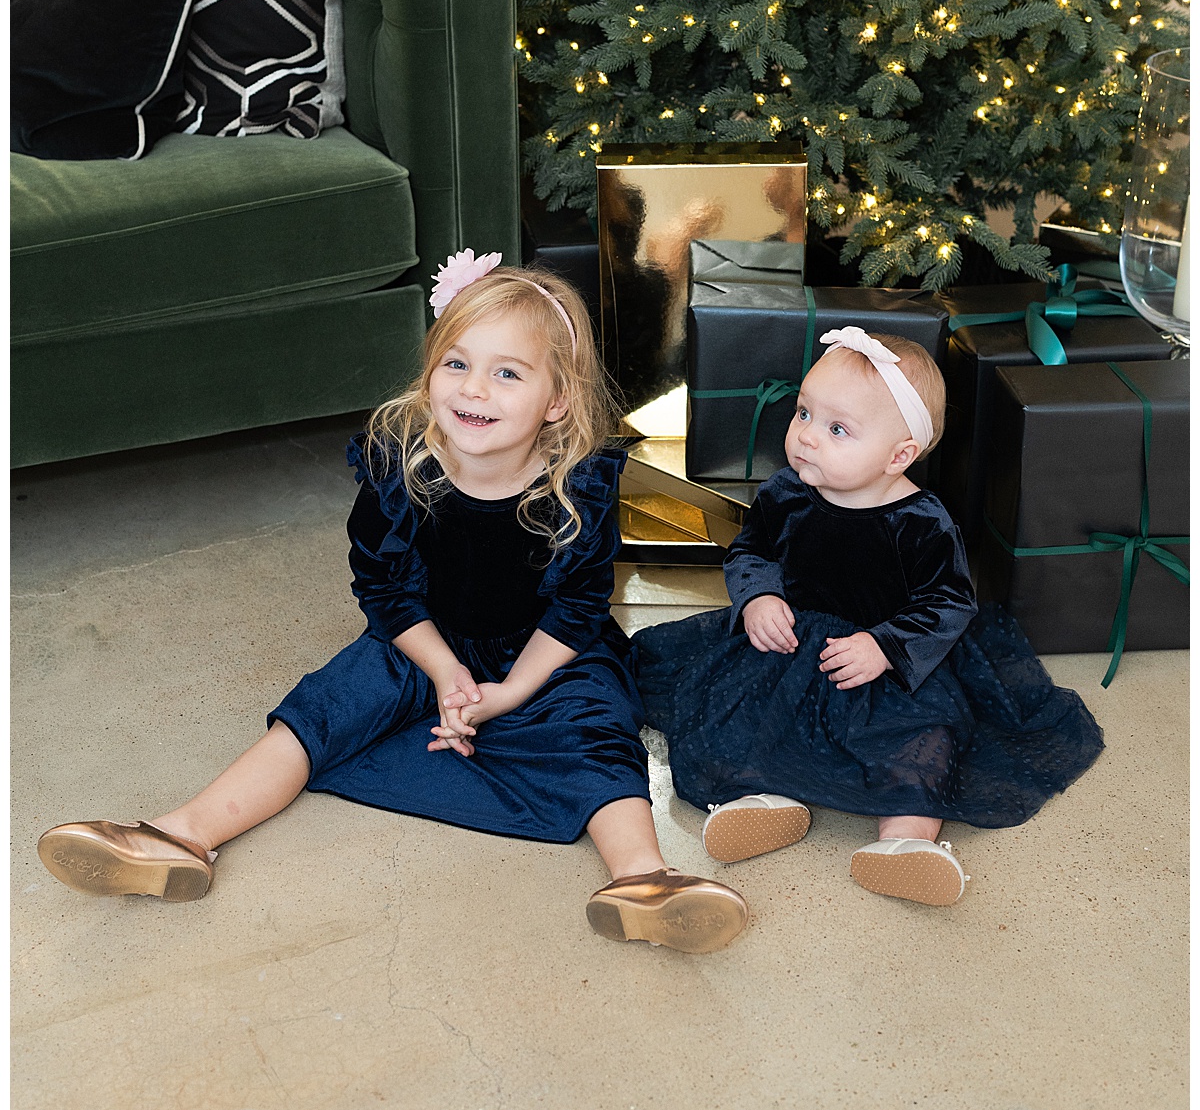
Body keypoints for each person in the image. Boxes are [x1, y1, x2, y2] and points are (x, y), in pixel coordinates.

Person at [38, 253, 748, 954]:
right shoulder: (399, 463)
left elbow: (577, 611)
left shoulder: (580, 487)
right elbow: (385, 589)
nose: (475, 390)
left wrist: (508, 695)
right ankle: (183, 834)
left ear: (557, 399)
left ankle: (643, 880)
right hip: (420, 638)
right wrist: (444, 673)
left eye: (508, 373)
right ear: (431, 370)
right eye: (457, 363)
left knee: (600, 725)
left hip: (547, 653)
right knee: (328, 703)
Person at [635, 327, 1105, 906]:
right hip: (791, 650)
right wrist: (757, 597)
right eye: (804, 412)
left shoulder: (921, 522)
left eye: (837, 429)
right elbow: (751, 551)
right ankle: (756, 800)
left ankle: (905, 842)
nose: (806, 436)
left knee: (922, 740)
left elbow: (948, 602)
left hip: (888, 665)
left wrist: (885, 645)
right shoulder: (785, 494)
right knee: (740, 712)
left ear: (898, 455)